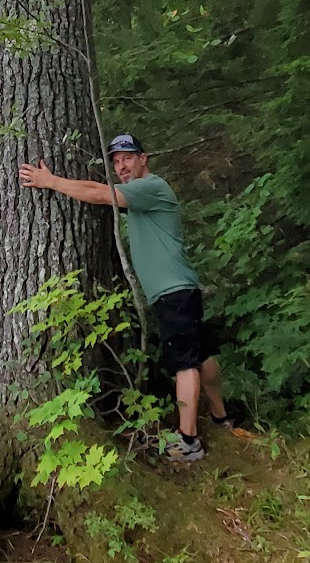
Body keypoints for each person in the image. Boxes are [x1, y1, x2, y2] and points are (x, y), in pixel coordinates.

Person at [18, 133, 231, 462]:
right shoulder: (144, 195)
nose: (121, 166)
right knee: (201, 355)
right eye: (116, 162)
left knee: (185, 363)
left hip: (173, 292)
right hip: (181, 289)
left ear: (143, 159)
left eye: (128, 158)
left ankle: (189, 442)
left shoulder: (150, 187)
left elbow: (100, 193)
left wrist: (50, 181)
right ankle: (220, 417)